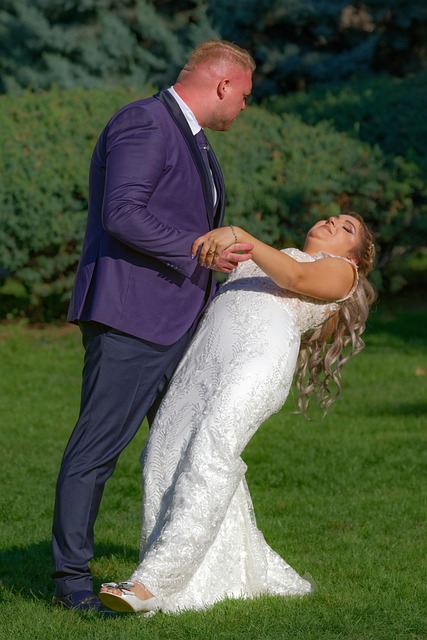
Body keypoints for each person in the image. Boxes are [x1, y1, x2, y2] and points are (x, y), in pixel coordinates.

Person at [51, 40, 256, 613]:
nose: (245, 106)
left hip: (177, 322)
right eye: (244, 95)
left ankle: (174, 574)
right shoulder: (144, 122)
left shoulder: (192, 136)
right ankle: (71, 581)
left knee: (185, 449)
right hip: (132, 319)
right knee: (97, 450)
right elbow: (122, 213)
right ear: (223, 85)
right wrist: (199, 251)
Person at [98, 212, 377, 614]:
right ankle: (215, 576)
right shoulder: (274, 255)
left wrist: (240, 236)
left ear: (355, 255)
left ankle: (152, 584)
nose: (333, 222)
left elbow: (296, 278)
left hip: (256, 360)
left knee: (211, 452)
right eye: (333, 217)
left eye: (347, 228)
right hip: (202, 362)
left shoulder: (342, 271)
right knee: (161, 454)